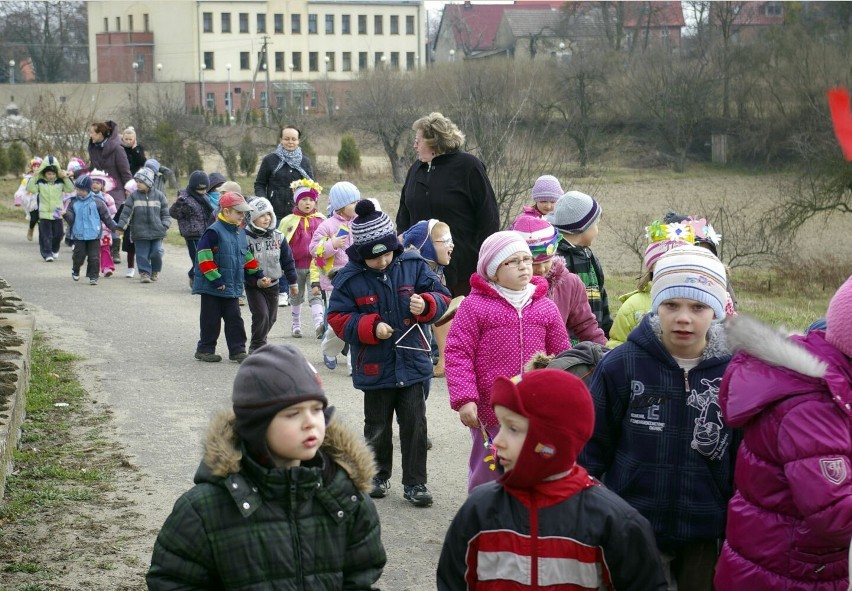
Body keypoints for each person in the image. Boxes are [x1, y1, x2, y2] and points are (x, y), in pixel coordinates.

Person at [146, 344, 386, 590]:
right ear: (257, 425)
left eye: (316, 410)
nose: (310, 423)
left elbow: (361, 575)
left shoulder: (345, 497)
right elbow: (172, 580)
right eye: (293, 413)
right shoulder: (203, 510)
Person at [579, 245, 738, 591]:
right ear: (655, 308)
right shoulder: (622, 365)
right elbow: (591, 446)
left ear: (716, 310)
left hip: (707, 529)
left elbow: (746, 455)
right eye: (671, 305)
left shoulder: (735, 373)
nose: (684, 317)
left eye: (698, 306)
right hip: (633, 524)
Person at [437, 368, 667, 591]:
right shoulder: (479, 509)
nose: (497, 441)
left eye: (513, 429)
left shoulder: (615, 522)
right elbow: (453, 581)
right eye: (501, 426)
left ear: (550, 442)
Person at [714, 277, 852, 591]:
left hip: (794, 566)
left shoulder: (835, 384)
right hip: (785, 575)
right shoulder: (813, 407)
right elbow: (834, 513)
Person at [327, 199, 451, 507]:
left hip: (412, 364)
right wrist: (370, 326)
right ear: (360, 255)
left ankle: (416, 483)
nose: (382, 261)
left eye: (386, 253)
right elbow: (338, 318)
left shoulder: (413, 264)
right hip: (375, 366)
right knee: (377, 426)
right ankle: (377, 475)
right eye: (374, 258)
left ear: (394, 245)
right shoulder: (350, 279)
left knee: (415, 425)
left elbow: (442, 296)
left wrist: (427, 304)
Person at [445, 231, 570, 493]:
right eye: (512, 261)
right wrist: (465, 398)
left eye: (526, 259)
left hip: (535, 410)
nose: (524, 265)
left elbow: (562, 355)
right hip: (490, 412)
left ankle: (525, 517)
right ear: (492, 271)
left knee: (534, 463)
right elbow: (458, 353)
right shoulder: (474, 307)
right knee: (489, 468)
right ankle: (484, 515)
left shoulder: (545, 307)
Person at [396, 112, 500, 298]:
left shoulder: (469, 167)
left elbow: (488, 218)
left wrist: (485, 262)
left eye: (418, 141)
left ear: (433, 142)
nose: (414, 146)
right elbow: (403, 214)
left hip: (463, 271)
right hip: (420, 272)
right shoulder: (416, 169)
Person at [192, 191, 269, 364]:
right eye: (239, 212)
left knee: (235, 319)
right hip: (213, 287)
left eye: (243, 213)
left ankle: (237, 350)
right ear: (226, 212)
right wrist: (216, 279)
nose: (243, 216)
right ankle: (204, 349)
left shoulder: (239, 232)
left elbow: (246, 256)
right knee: (210, 320)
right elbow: (204, 257)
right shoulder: (213, 232)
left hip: (232, 287)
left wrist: (258, 274)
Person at [513, 217, 607, 345]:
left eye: (546, 261)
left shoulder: (569, 283)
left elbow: (586, 326)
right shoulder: (505, 287)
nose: (541, 269)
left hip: (555, 361)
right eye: (533, 263)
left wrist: (605, 355)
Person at [607, 221, 695, 348]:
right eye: (664, 261)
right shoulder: (633, 306)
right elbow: (616, 343)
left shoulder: (699, 302)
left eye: (680, 262)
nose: (672, 268)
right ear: (651, 267)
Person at [310, 181, 361, 370]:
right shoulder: (327, 226)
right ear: (340, 206)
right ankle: (328, 349)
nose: (357, 206)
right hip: (335, 281)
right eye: (353, 202)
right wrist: (332, 244)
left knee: (357, 317)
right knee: (336, 320)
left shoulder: (359, 223)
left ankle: (352, 362)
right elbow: (314, 249)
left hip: (357, 277)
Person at [548, 190, 613, 337]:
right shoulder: (555, 263)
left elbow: (603, 303)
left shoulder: (591, 259)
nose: (598, 230)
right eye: (596, 224)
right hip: (567, 349)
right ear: (583, 227)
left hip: (595, 340)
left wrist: (607, 335)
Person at [402, 218, 455, 379]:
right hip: (406, 330)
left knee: (443, 308)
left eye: (451, 240)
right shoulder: (411, 269)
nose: (451, 245)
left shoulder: (437, 270)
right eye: (446, 241)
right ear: (426, 245)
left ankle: (445, 360)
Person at [244, 197, 298, 353]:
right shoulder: (245, 238)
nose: (266, 218)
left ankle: (260, 339)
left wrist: (293, 283)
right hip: (254, 285)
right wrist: (256, 280)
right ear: (253, 218)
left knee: (271, 317)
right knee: (261, 314)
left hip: (273, 284)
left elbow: (288, 261)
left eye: (268, 214)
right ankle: (257, 346)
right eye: (261, 215)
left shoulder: (279, 237)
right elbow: (242, 266)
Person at [278, 178, 325, 339]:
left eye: (311, 200)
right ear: (296, 201)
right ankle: (296, 324)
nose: (308, 203)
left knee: (316, 294)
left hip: (315, 266)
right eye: (304, 199)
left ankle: (319, 324)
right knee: (296, 296)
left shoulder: (321, 220)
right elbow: (281, 242)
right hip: (295, 266)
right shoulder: (288, 221)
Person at [88, 120, 133, 265]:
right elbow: (91, 170)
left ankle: (115, 251)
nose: (90, 135)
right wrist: (74, 173)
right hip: (99, 191)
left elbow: (125, 172)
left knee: (113, 220)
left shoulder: (117, 149)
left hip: (116, 191)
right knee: (101, 221)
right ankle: (102, 248)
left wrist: (129, 189)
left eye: (92, 132)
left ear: (100, 134)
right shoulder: (94, 148)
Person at [116, 167, 171, 284]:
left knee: (156, 252)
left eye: (141, 182)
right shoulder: (133, 196)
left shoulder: (160, 196)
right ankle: (144, 273)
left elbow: (165, 213)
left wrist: (165, 224)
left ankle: (155, 270)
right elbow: (126, 213)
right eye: (137, 181)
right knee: (142, 254)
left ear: (149, 182)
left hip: (157, 231)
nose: (138, 184)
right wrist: (121, 227)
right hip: (139, 232)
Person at [62, 174, 118, 286]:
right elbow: (71, 220)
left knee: (94, 257)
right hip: (79, 235)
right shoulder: (73, 202)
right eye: (77, 189)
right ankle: (76, 269)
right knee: (79, 255)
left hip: (94, 235)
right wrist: (65, 215)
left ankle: (93, 276)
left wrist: (116, 228)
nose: (79, 192)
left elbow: (106, 217)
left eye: (81, 190)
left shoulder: (97, 202)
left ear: (88, 189)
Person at [254, 125, 315, 221]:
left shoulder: (305, 161)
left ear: (298, 141)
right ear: (281, 140)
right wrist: (264, 202)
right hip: (274, 213)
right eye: (287, 139)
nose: (290, 142)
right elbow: (259, 184)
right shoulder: (270, 160)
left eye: (293, 139)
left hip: (297, 214)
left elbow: (311, 188)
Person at [169, 171, 215, 287]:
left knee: (205, 258)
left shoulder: (205, 198)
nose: (203, 192)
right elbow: (174, 214)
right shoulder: (185, 199)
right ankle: (196, 279)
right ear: (193, 188)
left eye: (205, 189)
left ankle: (193, 274)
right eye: (200, 189)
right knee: (197, 259)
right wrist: (178, 204)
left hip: (205, 232)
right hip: (192, 234)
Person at [26, 155, 73, 262]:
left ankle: (55, 249)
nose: (51, 176)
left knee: (59, 234)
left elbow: (70, 188)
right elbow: (30, 188)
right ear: (44, 173)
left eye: (53, 174)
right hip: (44, 214)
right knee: (45, 235)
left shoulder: (60, 182)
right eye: (48, 174)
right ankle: (47, 254)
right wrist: (35, 176)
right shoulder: (40, 182)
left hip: (57, 213)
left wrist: (64, 176)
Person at [88, 172, 118, 278]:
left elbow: (112, 213)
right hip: (91, 229)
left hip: (104, 228)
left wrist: (109, 225)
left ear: (102, 185)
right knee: (93, 250)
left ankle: (107, 267)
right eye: (93, 182)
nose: (95, 185)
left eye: (97, 183)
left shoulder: (108, 198)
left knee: (105, 248)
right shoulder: (86, 198)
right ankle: (94, 269)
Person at [16, 156, 42, 242]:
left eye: (38, 166)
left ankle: (43, 238)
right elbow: (21, 189)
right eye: (34, 166)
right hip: (32, 201)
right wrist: (18, 199)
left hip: (43, 200)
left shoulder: (45, 177)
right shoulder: (27, 178)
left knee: (42, 220)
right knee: (34, 218)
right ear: (32, 167)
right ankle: (31, 229)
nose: (36, 168)